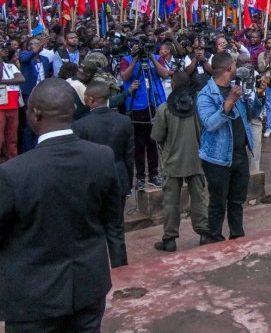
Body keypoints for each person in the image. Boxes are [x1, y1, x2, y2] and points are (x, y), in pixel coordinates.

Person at [0, 78, 123, 331]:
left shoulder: (12, 173)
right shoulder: (101, 157)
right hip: (89, 286)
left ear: (34, 113)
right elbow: (112, 219)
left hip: (34, 298)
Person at [197, 51, 261, 243]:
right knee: (217, 203)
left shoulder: (236, 87)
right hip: (217, 158)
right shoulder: (205, 94)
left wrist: (257, 96)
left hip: (239, 154)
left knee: (237, 200)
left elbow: (252, 114)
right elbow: (210, 124)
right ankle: (213, 238)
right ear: (228, 69)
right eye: (234, 64)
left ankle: (237, 236)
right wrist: (230, 101)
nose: (237, 67)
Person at [72, 80, 133, 266]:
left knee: (93, 231)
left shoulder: (80, 125)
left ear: (91, 100)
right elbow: (129, 156)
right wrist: (128, 183)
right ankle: (121, 270)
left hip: (91, 183)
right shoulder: (124, 121)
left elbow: (79, 161)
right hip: (118, 178)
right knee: (116, 229)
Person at [151, 71, 209, 252]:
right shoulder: (198, 107)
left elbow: (158, 136)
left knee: (171, 202)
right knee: (199, 199)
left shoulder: (164, 109)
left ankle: (169, 238)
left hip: (172, 161)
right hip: (195, 159)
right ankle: (204, 233)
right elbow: (204, 132)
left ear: (173, 85)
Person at [119, 39, 169, 191]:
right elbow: (124, 77)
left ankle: (154, 175)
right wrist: (135, 58)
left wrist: (152, 57)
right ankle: (140, 177)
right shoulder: (126, 59)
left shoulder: (156, 57)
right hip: (136, 105)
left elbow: (165, 74)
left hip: (154, 103)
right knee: (139, 144)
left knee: (153, 141)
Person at [17, 36, 51, 152]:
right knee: (29, 122)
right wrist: (36, 49)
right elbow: (25, 59)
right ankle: (27, 149)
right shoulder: (24, 55)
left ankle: (39, 147)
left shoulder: (45, 59)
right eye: (32, 44)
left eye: (38, 43)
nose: (36, 45)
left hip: (42, 93)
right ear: (28, 46)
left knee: (42, 120)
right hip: (29, 94)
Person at [0, 47, 24, 160]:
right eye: (1, 48)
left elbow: (21, 79)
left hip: (13, 105)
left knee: (12, 138)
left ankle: (12, 161)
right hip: (0, 106)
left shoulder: (10, 66)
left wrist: (3, 82)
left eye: (5, 48)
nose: (5, 50)